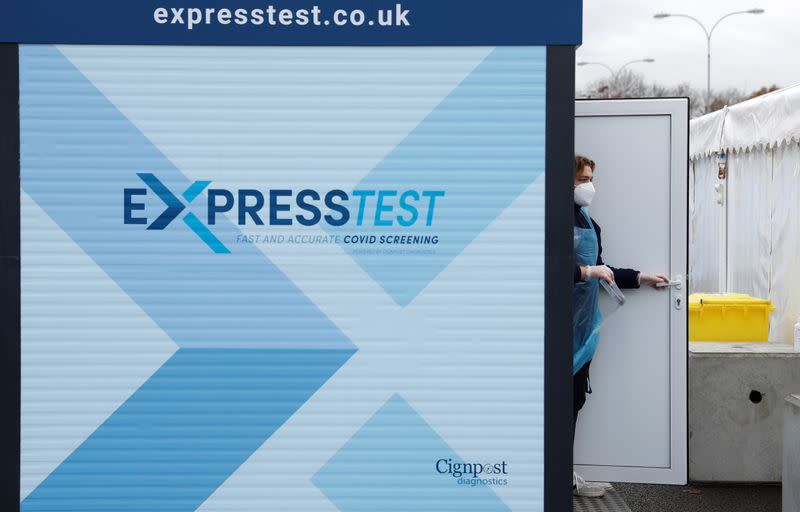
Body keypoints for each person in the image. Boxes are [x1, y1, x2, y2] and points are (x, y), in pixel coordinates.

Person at [571, 155, 669, 498]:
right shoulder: (549, 218)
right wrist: (585, 273)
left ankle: (561, 476)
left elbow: (603, 268)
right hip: (551, 329)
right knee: (550, 403)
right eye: (582, 179)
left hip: (581, 329)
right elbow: (542, 268)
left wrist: (640, 277)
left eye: (591, 178)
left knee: (573, 399)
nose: (589, 186)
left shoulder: (589, 223)